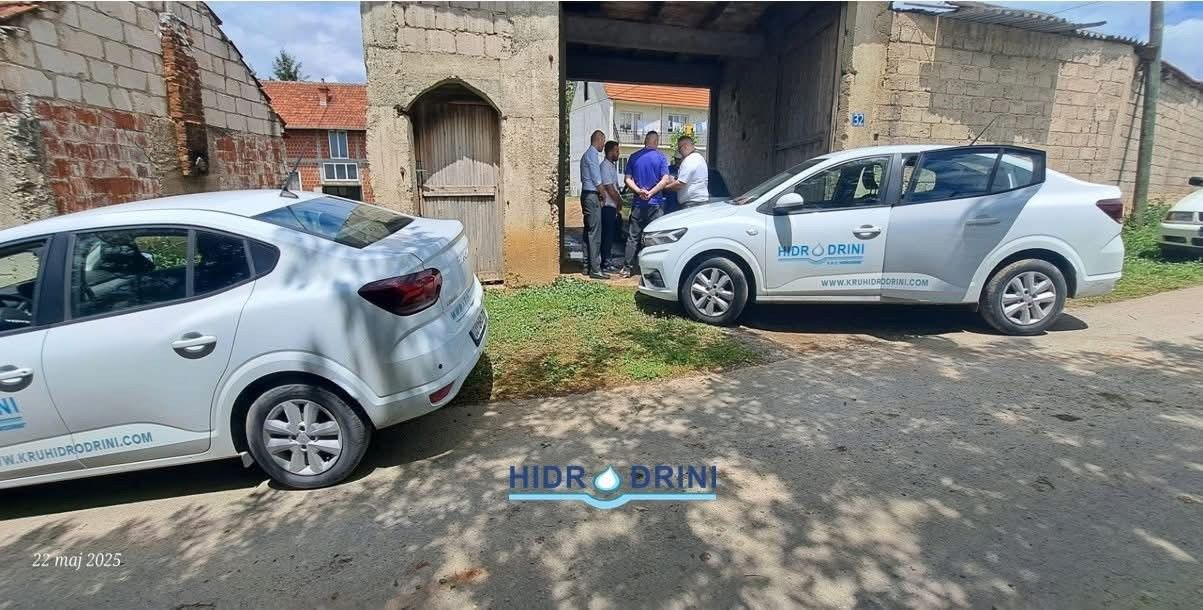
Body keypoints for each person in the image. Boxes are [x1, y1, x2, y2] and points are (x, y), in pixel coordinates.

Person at [620, 131, 671, 278]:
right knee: (655, 238)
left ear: (645, 141)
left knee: (633, 237)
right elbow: (665, 180)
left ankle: (627, 268)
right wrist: (651, 192)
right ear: (656, 141)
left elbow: (627, 179)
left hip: (638, 203)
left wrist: (639, 191)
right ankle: (653, 270)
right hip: (655, 204)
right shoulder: (661, 158)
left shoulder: (634, 157)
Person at [578, 129, 607, 279]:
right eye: (603, 141)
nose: (603, 145)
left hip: (585, 194)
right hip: (591, 195)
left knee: (588, 231)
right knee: (595, 233)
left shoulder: (585, 155)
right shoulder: (592, 155)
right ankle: (595, 269)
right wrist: (604, 195)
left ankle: (587, 265)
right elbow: (597, 180)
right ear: (598, 140)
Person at [598, 140, 623, 272]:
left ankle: (607, 260)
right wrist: (619, 201)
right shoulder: (605, 167)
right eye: (616, 151)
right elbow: (609, 188)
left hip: (612, 206)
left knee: (610, 235)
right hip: (607, 206)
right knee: (607, 236)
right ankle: (605, 263)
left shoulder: (611, 166)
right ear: (610, 152)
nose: (618, 153)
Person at [667, 135, 709, 208]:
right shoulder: (699, 158)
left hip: (692, 203)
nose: (679, 151)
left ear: (685, 146)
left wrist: (664, 187)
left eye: (679, 148)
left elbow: (680, 184)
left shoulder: (689, 160)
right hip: (699, 202)